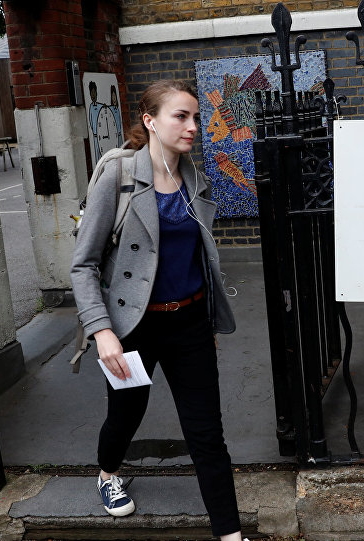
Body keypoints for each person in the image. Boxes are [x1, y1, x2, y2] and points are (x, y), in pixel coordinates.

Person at [70, 79, 244, 541]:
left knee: (207, 434)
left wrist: (205, 320)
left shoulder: (193, 176)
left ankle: (229, 534)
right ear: (150, 120)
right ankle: (108, 474)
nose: (193, 126)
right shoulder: (119, 174)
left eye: (195, 117)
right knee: (127, 413)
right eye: (180, 116)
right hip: (131, 326)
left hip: (188, 322)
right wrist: (101, 331)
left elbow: (199, 260)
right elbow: (83, 263)